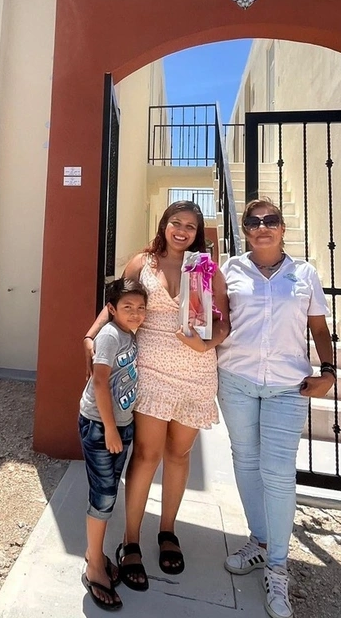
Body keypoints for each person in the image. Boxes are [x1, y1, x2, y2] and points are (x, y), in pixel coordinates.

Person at [83, 201, 229, 591]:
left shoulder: (205, 268)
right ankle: (131, 540)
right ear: (164, 225)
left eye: (191, 227)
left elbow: (224, 321)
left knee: (178, 454)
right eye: (175, 223)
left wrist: (206, 345)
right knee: (147, 455)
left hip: (196, 371)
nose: (182, 231)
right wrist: (91, 334)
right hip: (149, 370)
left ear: (198, 233)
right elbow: (114, 303)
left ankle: (167, 532)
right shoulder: (141, 263)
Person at [216, 199, 337, 618]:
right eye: (253, 221)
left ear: (283, 228)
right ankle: (260, 540)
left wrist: (329, 370)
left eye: (270, 220)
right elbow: (212, 319)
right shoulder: (230, 270)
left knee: (278, 471)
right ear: (245, 230)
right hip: (236, 380)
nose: (262, 227)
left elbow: (319, 328)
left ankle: (279, 567)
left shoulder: (303, 274)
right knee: (246, 461)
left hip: (289, 386)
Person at [79, 278, 148, 611]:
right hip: (100, 427)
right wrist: (109, 428)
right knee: (103, 496)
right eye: (127, 308)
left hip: (120, 425)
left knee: (107, 492)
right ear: (111, 309)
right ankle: (93, 567)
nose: (135, 314)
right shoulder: (109, 336)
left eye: (140, 308)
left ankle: (97, 553)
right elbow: (101, 381)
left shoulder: (129, 333)